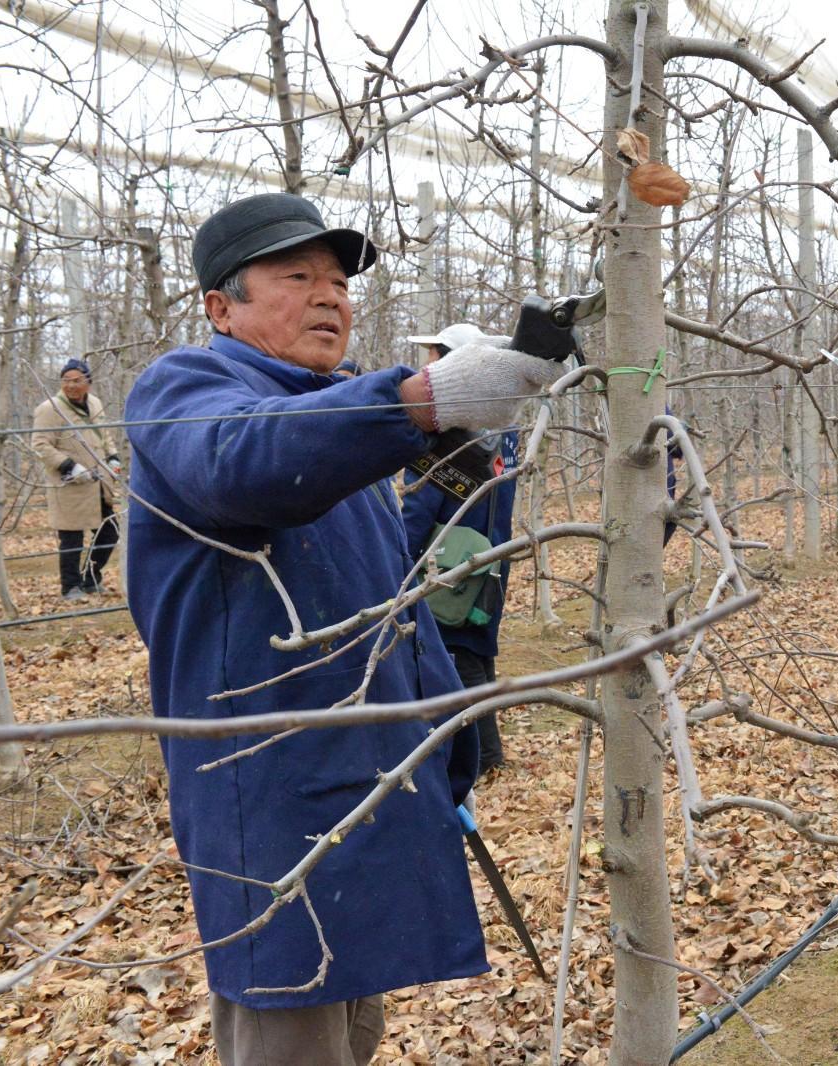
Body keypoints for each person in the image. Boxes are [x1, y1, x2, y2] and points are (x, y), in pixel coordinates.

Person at [123, 192, 568, 1065]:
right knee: (291, 1017)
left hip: (369, 767)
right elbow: (243, 465)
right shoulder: (184, 387)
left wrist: (449, 736)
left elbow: (389, 598)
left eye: (339, 280)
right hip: (272, 780)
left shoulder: (337, 407)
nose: (330, 296)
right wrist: (414, 402)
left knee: (356, 1018)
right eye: (298, 277)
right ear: (221, 306)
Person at [401, 322, 522, 778]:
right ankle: (486, 752)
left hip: (448, 565)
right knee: (477, 650)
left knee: (458, 657)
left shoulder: (447, 438)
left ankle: (484, 757)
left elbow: (418, 507)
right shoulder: (502, 426)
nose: (427, 367)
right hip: (492, 555)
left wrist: (400, 561)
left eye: (434, 356)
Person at [31, 358, 122, 600]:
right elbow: (40, 444)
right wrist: (70, 466)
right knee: (71, 539)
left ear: (88, 382)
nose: (71, 385)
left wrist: (113, 458)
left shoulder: (94, 403)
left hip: (99, 484)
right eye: (66, 380)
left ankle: (91, 578)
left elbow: (105, 435)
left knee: (109, 533)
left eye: (77, 380)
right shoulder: (49, 409)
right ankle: (70, 587)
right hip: (69, 485)